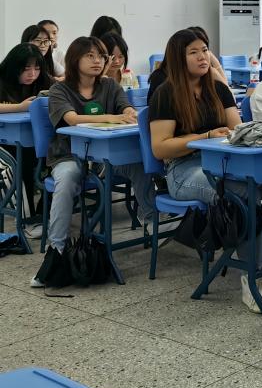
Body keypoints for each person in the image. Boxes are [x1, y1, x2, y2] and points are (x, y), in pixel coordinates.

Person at [148, 29, 262, 312]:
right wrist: (204, 137)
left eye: (205, 50)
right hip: (184, 170)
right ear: (178, 58)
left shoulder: (218, 89)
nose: (203, 57)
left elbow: (237, 129)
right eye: (193, 52)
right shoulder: (166, 93)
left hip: (226, 165)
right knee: (240, 191)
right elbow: (160, 148)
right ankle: (255, 276)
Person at [30, 36, 155, 287]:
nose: (97, 61)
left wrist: (129, 112)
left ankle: (151, 220)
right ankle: (57, 250)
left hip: (102, 156)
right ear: (75, 59)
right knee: (67, 179)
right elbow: (72, 119)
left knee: (139, 163)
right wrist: (113, 117)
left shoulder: (109, 85)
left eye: (101, 56)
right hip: (68, 155)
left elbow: (124, 107)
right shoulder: (60, 90)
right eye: (90, 56)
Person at [0, 43, 52, 222]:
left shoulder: (43, 81)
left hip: (31, 140)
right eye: (26, 68)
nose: (32, 74)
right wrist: (20, 107)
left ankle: (44, 212)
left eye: (37, 68)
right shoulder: (2, 80)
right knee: (22, 162)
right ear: (14, 67)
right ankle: (27, 220)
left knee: (57, 158)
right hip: (6, 144)